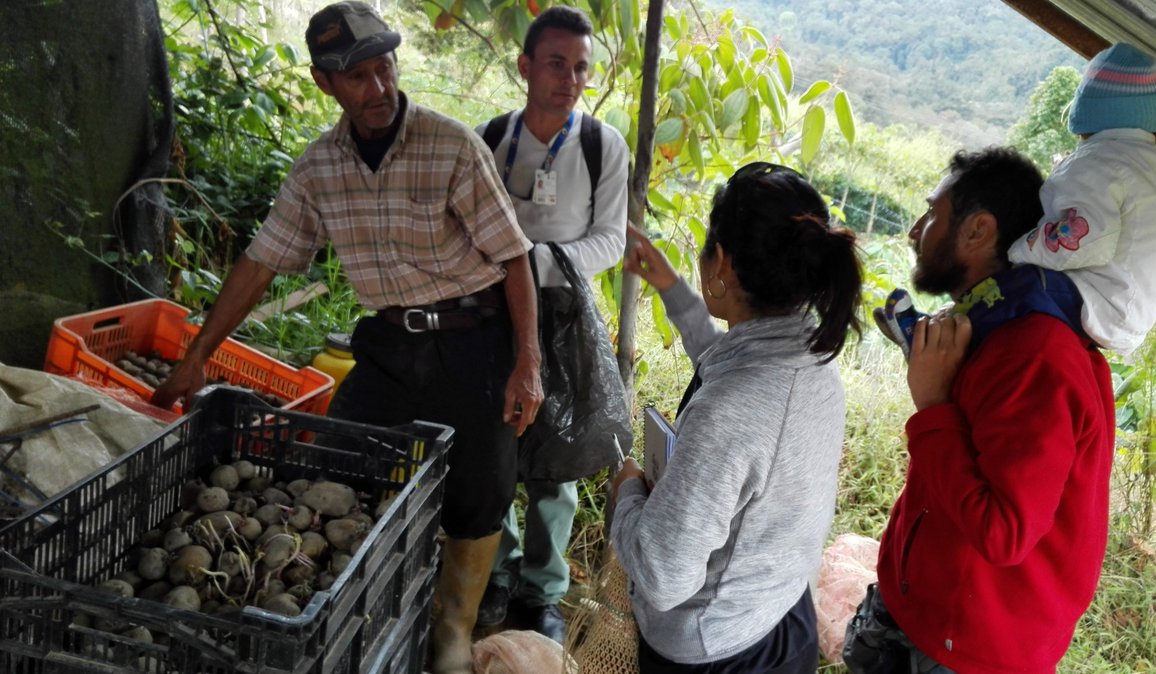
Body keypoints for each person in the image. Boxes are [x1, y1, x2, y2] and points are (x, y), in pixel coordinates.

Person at [148, 3, 543, 673]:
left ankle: (450, 634)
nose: (379, 88)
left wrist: (527, 362)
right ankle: (359, 615)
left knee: (479, 494)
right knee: (342, 470)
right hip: (388, 348)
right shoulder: (319, 168)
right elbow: (261, 261)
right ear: (324, 83)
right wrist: (196, 357)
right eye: (357, 76)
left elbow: (514, 259)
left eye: (384, 67)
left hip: (476, 342)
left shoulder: (451, 144)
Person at [843, 148, 1116, 674]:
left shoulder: (1035, 354)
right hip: (923, 613)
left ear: (977, 231)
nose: (915, 229)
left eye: (931, 213)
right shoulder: (986, 321)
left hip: (968, 651)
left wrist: (932, 404)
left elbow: (1003, 532)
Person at [611, 162, 864, 673]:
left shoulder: (731, 411)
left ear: (721, 262)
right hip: (780, 618)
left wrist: (627, 494)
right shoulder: (811, 362)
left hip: (713, 651)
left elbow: (662, 575)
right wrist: (671, 286)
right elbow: (725, 360)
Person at [472, 5, 629, 644]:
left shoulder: (600, 145)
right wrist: (506, 272)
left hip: (563, 318)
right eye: (557, 64)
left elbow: (612, 239)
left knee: (555, 463)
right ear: (526, 67)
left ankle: (544, 594)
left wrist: (538, 262)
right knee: (495, 451)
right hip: (491, 317)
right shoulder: (491, 140)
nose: (570, 79)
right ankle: (498, 574)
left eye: (582, 68)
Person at [1007, 41, 1156, 355]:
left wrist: (1019, 248)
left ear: (1084, 118)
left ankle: (935, 334)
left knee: (1004, 290)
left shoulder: (1096, 163)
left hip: (1092, 302)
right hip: (1133, 316)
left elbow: (1084, 241)